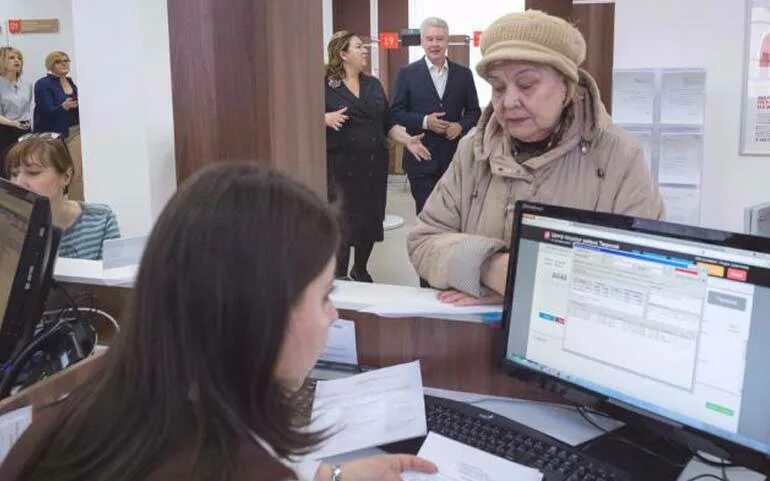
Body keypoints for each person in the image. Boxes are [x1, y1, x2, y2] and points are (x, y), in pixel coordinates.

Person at [0, 162, 437, 481]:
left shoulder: (73, 412)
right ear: (259, 314)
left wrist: (332, 477)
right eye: (324, 296)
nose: (334, 316)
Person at [407, 10, 665, 305]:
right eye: (499, 87)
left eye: (527, 84)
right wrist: (490, 268)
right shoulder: (473, 152)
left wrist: (528, 281)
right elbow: (423, 241)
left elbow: (647, 271)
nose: (509, 101)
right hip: (475, 339)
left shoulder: (619, 157)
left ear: (567, 86)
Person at [325, 31, 431, 282]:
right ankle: (339, 275)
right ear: (343, 53)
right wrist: (324, 118)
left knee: (370, 218)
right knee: (342, 221)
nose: (365, 51)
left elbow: (387, 123)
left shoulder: (372, 84)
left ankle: (360, 269)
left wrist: (407, 140)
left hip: (373, 167)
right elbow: (303, 116)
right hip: (340, 168)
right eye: (359, 46)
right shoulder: (324, 85)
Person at [391, 17, 481, 214]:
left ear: (447, 41)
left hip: (455, 161)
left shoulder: (463, 74)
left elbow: (475, 111)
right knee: (427, 216)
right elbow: (396, 113)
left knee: (455, 216)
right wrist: (425, 122)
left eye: (440, 39)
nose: (435, 44)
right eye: (430, 39)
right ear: (422, 42)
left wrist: (460, 125)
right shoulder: (406, 74)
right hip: (421, 158)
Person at [5, 133, 119, 260]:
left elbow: (112, 277)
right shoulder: (7, 224)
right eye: (14, 174)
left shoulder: (100, 219)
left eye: (33, 172)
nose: (19, 183)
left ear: (66, 176)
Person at [34, 51, 83, 200]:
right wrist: (63, 107)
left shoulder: (70, 81)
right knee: (55, 171)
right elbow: (45, 109)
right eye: (59, 61)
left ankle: (77, 205)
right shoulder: (43, 83)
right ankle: (52, 206)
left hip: (74, 131)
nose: (64, 63)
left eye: (66, 60)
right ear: (51, 64)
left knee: (77, 170)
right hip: (53, 134)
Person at [0, 47, 32, 176]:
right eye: (11, 58)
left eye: (19, 58)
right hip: (4, 130)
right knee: (6, 167)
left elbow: (29, 107)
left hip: (24, 129)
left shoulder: (27, 84)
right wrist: (13, 123)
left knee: (24, 165)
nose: (17, 60)